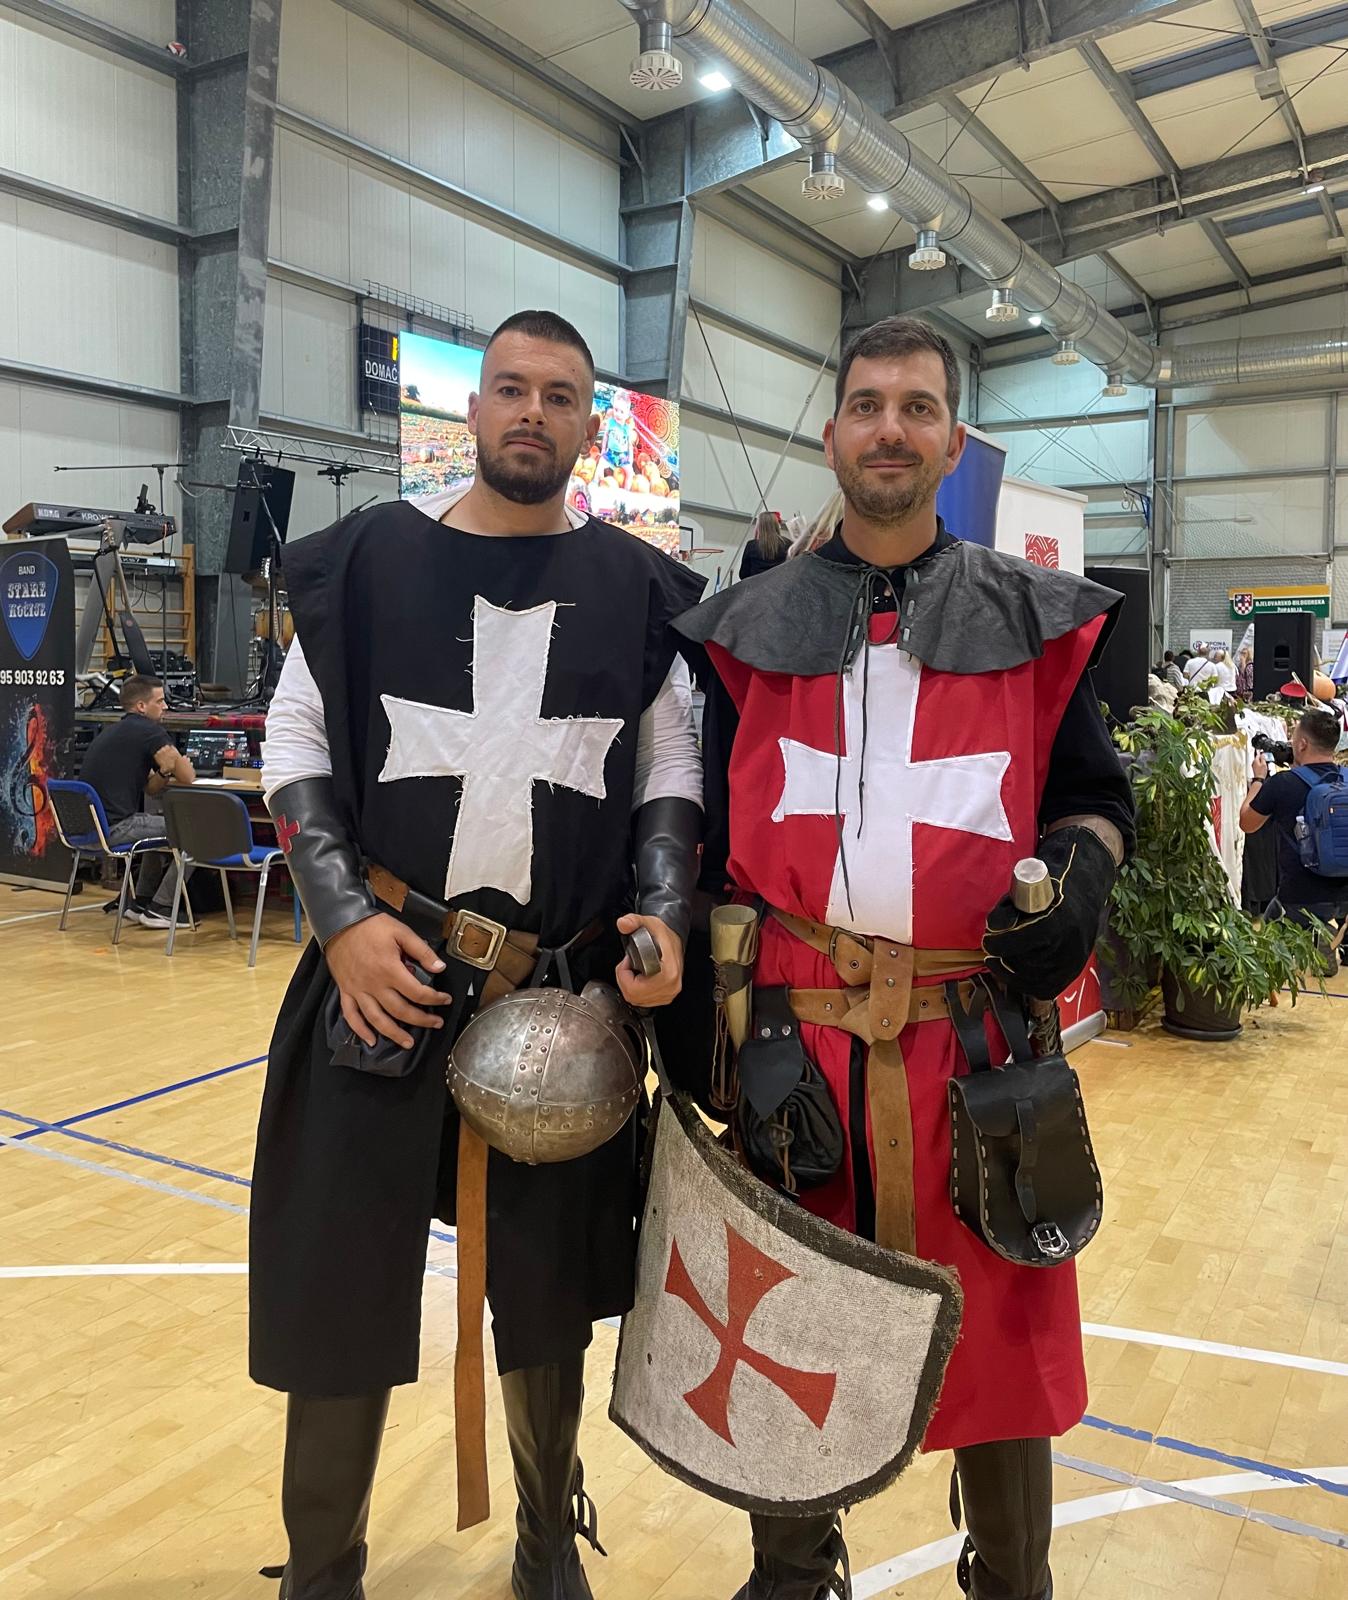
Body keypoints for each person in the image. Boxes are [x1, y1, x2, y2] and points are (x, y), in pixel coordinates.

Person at [674, 315, 1134, 1600]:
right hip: (796, 1039)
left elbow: (1093, 799)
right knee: (787, 1314)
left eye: (916, 407)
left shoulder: (1031, 621)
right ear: (833, 434)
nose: (890, 429)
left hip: (975, 1042)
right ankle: (789, 1576)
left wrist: (1079, 878)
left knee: (1001, 1324)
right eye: (868, 405)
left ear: (950, 440)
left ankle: (1012, 1578)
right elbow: (706, 838)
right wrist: (707, 1017)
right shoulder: (744, 630)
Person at [250, 309, 705, 1600]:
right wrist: (341, 916)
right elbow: (295, 739)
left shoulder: (640, 590)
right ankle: (323, 1568)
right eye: (511, 388)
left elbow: (670, 761)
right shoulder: (370, 561)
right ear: (474, 408)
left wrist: (663, 908)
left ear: (589, 426)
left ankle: (547, 1542)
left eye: (559, 396)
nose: (530, 413)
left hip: (552, 994)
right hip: (381, 972)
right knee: (339, 1279)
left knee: (547, 1292)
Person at [78, 673, 195, 927]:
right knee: (195, 832)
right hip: (115, 828)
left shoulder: (114, 731)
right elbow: (188, 777)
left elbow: (151, 790)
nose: (165, 707)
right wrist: (182, 763)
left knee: (157, 825)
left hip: (88, 831)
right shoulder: (149, 731)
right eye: (160, 701)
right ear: (142, 706)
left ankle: (141, 900)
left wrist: (164, 772)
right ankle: (163, 907)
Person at [1239, 706, 1348, 971]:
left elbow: (1247, 823)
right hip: (1345, 892)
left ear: (1302, 744)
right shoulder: (1345, 779)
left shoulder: (1283, 783)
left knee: (1265, 945)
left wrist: (1258, 779)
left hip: (1299, 896)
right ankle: (1329, 937)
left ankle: (1311, 938)